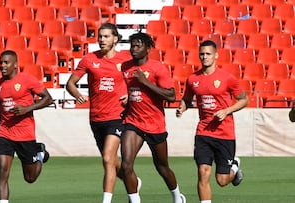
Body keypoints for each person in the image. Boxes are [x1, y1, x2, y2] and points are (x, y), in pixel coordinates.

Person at [176, 40, 248, 203]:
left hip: (225, 134)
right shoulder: (193, 79)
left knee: (222, 181)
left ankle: (234, 167)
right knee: (203, 171)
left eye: (208, 54)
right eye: (202, 54)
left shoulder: (227, 78)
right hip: (203, 132)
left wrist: (227, 111)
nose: (204, 57)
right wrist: (182, 107)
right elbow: (187, 99)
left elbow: (244, 100)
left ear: (216, 55)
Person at [66, 22, 131, 203]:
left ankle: (106, 200)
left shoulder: (125, 60)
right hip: (96, 118)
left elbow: (137, 81)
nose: (102, 40)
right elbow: (70, 83)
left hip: (117, 117)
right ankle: (131, 180)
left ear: (115, 39)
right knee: (111, 161)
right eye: (100, 36)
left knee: (107, 157)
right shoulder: (89, 59)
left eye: (106, 36)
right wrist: (78, 94)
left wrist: (129, 96)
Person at [120, 32, 186, 203]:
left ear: (147, 48)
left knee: (162, 167)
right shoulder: (125, 67)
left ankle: (177, 197)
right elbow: (127, 91)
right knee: (126, 166)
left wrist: (145, 82)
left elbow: (171, 96)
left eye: (138, 45)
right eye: (132, 45)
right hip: (133, 122)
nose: (133, 49)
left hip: (155, 125)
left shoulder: (158, 68)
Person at [0, 50, 53, 203]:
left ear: (15, 65)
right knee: (2, 169)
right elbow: (0, 104)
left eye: (6, 62)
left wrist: (27, 109)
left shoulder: (27, 80)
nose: (2, 65)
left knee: (30, 178)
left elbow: (48, 99)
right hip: (4, 132)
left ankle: (40, 154)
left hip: (25, 134)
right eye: (0, 62)